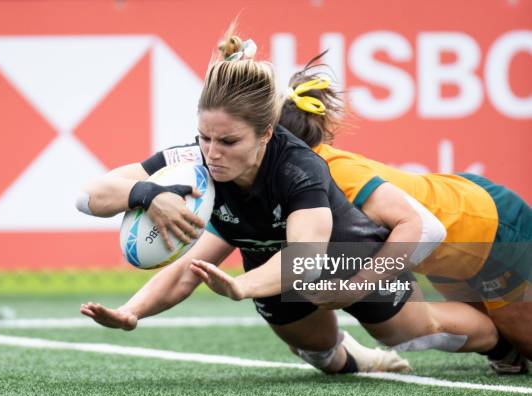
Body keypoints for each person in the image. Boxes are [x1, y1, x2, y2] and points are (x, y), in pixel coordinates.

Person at [77, 28, 505, 375]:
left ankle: (503, 343)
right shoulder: (194, 161)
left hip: (345, 256)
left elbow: (306, 258)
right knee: (321, 354)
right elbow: (89, 196)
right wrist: (147, 198)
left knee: (410, 332)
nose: (212, 152)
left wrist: (242, 285)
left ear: (265, 135)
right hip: (269, 264)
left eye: (228, 141)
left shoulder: (299, 169)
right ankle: (354, 358)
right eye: (205, 137)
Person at [195, 51, 531, 373]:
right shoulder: (271, 177)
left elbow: (426, 230)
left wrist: (358, 285)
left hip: (490, 228)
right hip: (453, 251)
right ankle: (505, 351)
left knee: (520, 339)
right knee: (496, 338)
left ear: (268, 138)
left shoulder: (320, 174)